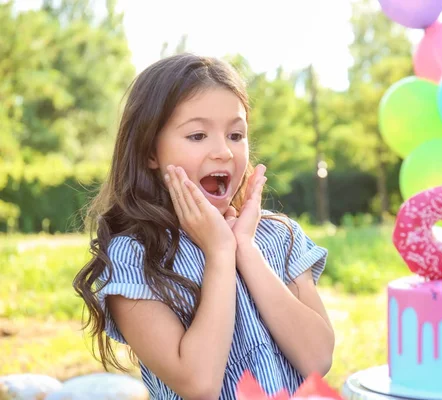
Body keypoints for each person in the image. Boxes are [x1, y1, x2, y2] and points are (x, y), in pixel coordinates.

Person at [73, 54, 335, 400]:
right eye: (197, 136)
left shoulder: (278, 237)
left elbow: (318, 358)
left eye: (236, 134)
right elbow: (200, 384)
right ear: (150, 152)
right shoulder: (135, 257)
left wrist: (246, 251)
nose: (223, 151)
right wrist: (220, 254)